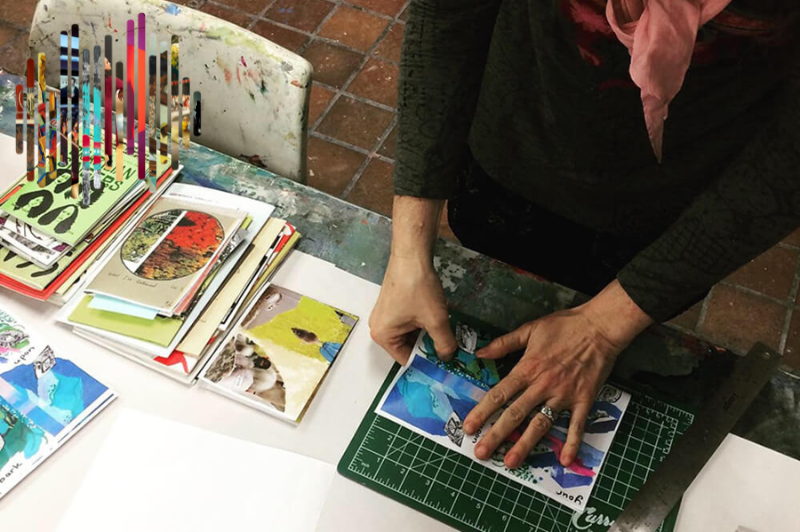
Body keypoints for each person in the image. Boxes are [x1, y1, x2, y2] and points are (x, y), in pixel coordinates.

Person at [369, 0, 800, 473]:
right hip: (506, 166)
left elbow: (788, 161)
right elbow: (448, 15)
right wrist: (409, 251)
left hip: (666, 222)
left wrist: (604, 326)